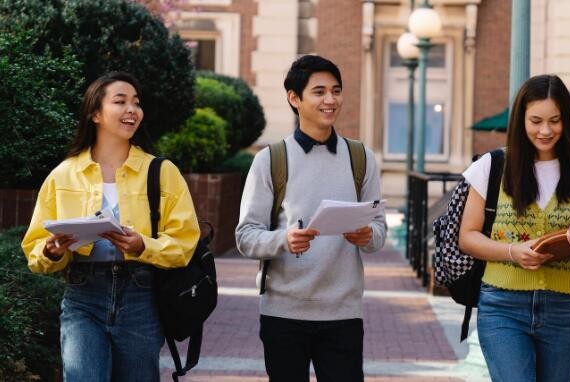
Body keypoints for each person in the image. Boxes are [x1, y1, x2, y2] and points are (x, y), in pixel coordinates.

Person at [21, 72, 200, 381]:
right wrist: (51, 251)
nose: (132, 110)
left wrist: (144, 246)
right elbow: (35, 248)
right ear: (95, 113)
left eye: (137, 103)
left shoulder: (161, 172)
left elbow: (185, 243)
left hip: (141, 297)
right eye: (120, 102)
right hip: (82, 295)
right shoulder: (64, 175)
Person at [235, 55, 386, 381]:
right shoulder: (270, 160)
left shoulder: (361, 158)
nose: (330, 100)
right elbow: (246, 235)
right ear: (294, 98)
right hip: (283, 313)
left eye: (336, 91)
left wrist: (366, 235)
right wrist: (283, 240)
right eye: (319, 92)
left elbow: (378, 230)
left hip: (343, 313)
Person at [458, 74, 570, 381]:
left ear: (566, 120)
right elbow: (468, 237)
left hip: (565, 311)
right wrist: (513, 252)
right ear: (521, 120)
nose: (545, 130)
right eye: (536, 121)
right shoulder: (492, 166)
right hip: (503, 306)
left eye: (555, 121)